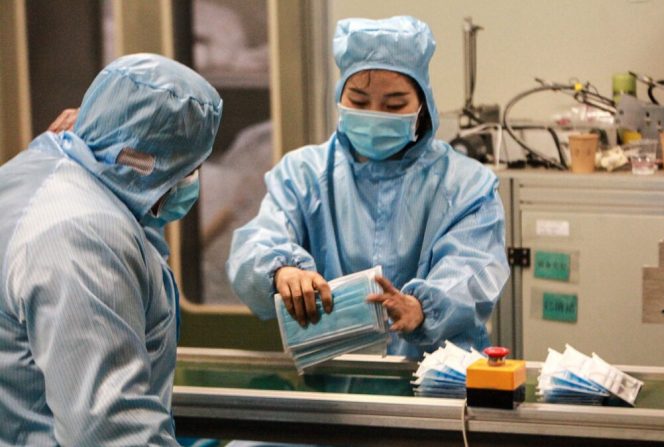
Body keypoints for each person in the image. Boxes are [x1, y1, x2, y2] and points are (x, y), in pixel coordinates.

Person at [227, 16, 509, 359]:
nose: (375, 114)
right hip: (331, 388)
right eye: (359, 102)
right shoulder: (303, 175)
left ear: (422, 106)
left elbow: (474, 270)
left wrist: (422, 308)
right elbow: (255, 246)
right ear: (340, 97)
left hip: (436, 387)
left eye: (394, 105)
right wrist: (281, 272)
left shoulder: (465, 185)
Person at [0, 53, 223, 445]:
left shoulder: (32, 174)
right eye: (188, 169)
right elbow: (107, 428)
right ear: (149, 163)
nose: (190, 184)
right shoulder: (85, 233)